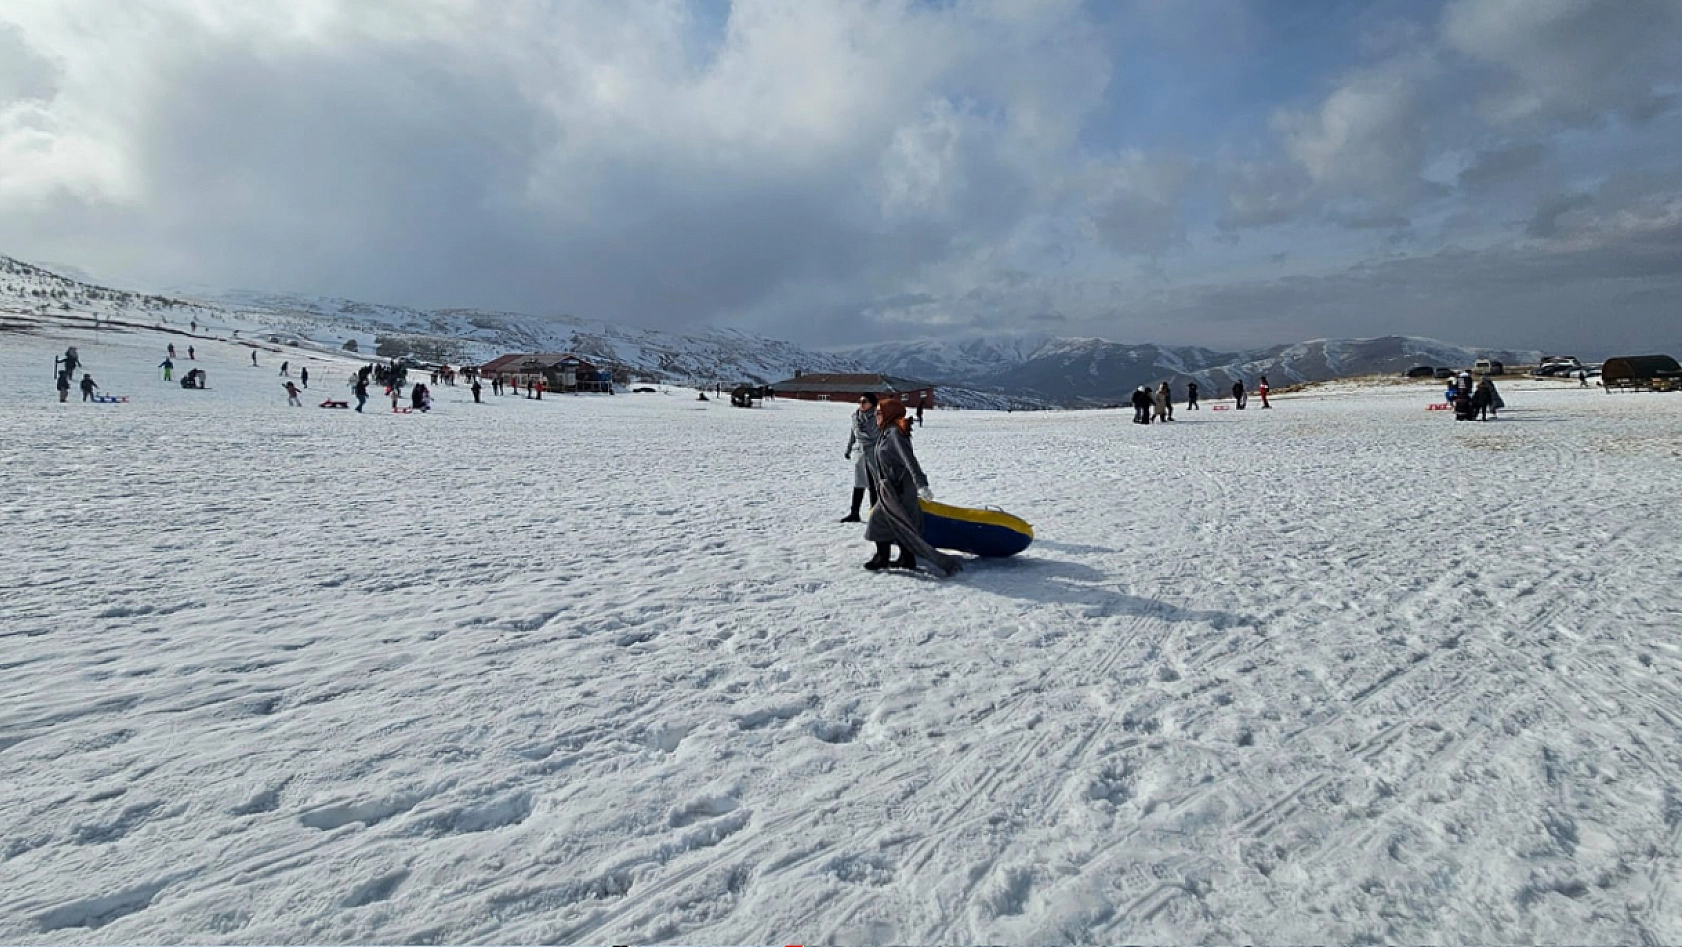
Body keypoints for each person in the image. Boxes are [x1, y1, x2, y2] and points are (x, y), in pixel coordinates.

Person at [864, 398, 958, 576]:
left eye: (879, 412)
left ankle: (883, 558)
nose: (876, 415)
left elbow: (909, 460)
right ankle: (906, 559)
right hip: (891, 490)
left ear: (889, 413)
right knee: (900, 524)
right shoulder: (886, 431)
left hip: (901, 490)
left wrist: (921, 485)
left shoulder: (895, 433)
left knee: (881, 521)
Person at [842, 393, 881, 523]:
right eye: (860, 401)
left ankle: (875, 514)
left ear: (872, 403)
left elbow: (873, 434)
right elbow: (853, 434)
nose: (861, 404)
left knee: (874, 484)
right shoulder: (856, 417)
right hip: (860, 454)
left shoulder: (877, 416)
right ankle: (854, 513)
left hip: (873, 453)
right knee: (859, 483)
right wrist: (849, 449)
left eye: (864, 401)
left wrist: (861, 435)